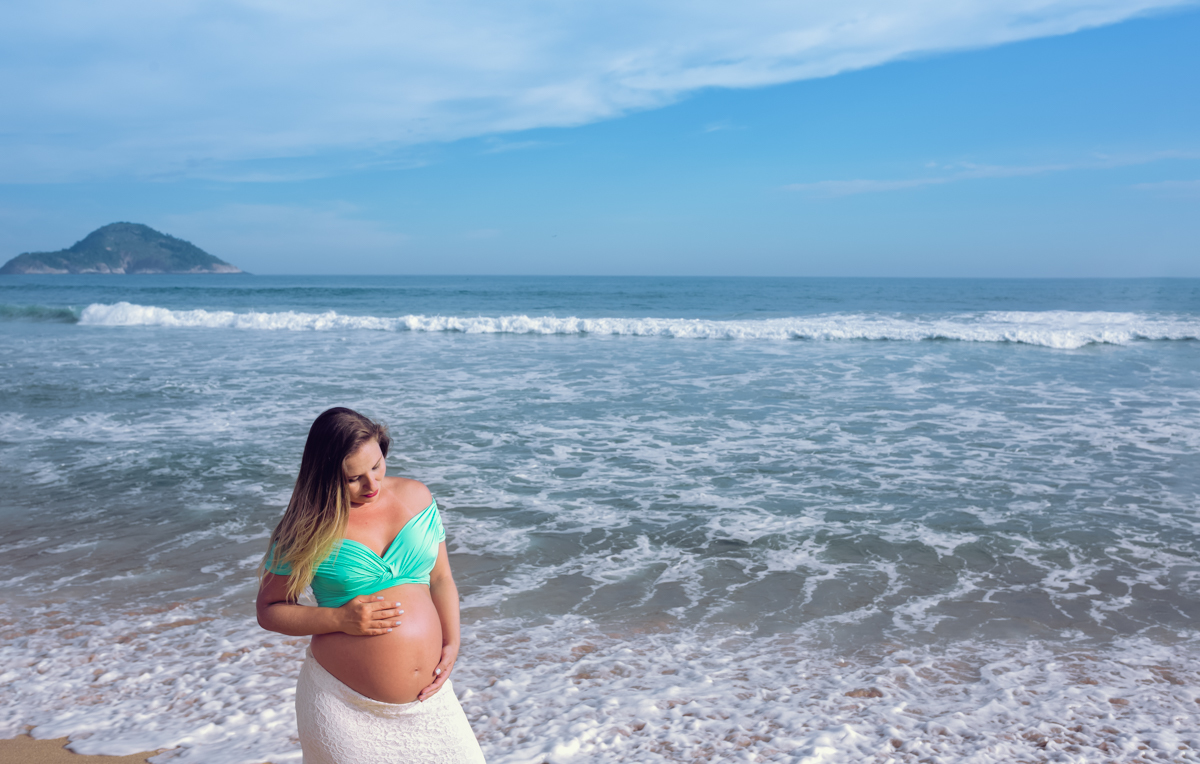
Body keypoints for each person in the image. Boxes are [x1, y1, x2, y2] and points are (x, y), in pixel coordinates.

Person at [257, 407, 486, 763]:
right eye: (354, 478)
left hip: (430, 703)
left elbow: (441, 579)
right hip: (342, 706)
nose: (372, 485)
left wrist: (452, 643)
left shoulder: (418, 498)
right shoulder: (305, 528)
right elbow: (269, 610)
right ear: (325, 476)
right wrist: (338, 619)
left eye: (377, 466)